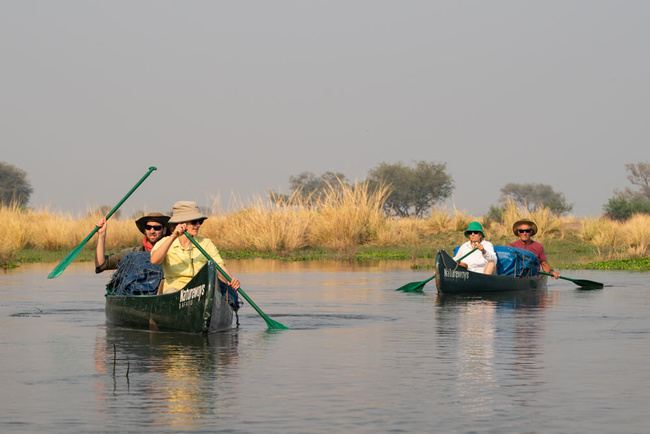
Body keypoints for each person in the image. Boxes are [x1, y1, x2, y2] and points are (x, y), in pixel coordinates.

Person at [150, 201, 240, 294]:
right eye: (194, 222)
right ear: (180, 223)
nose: (198, 225)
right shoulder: (165, 242)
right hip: (175, 292)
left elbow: (220, 267)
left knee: (209, 270)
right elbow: (154, 260)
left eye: (200, 221)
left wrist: (230, 279)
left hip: (201, 291)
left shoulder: (206, 243)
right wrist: (173, 236)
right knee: (171, 292)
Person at [95, 212, 170, 273]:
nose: (152, 231)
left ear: (164, 230)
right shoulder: (132, 253)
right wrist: (101, 235)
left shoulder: (172, 253)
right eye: (148, 227)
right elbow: (101, 265)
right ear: (144, 230)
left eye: (157, 228)